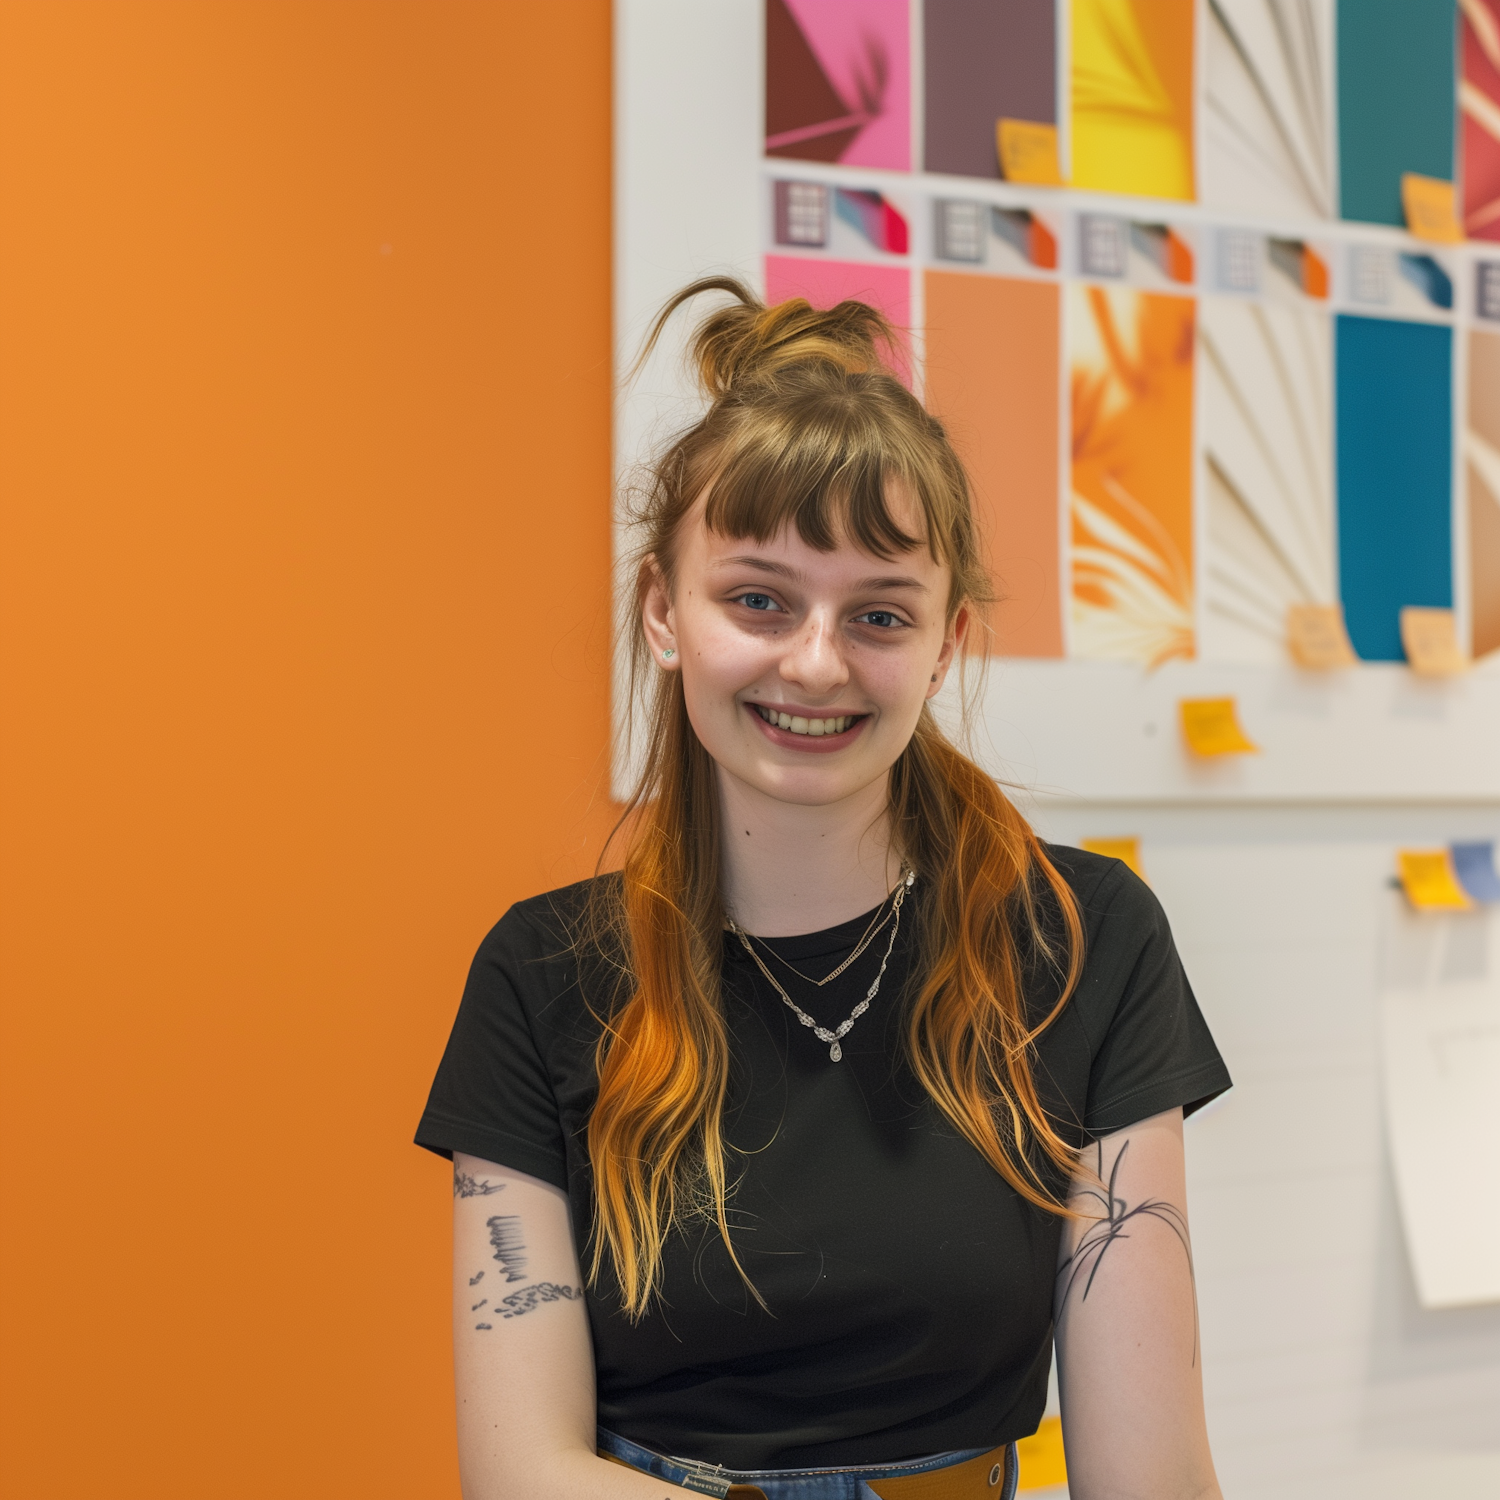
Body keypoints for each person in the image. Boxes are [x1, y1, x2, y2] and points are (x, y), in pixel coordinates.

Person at [415, 279, 1231, 1500]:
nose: (815, 661)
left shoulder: (1083, 941)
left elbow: (1148, 1473)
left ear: (946, 641)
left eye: (880, 614)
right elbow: (519, 1470)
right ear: (663, 611)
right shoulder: (543, 978)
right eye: (759, 598)